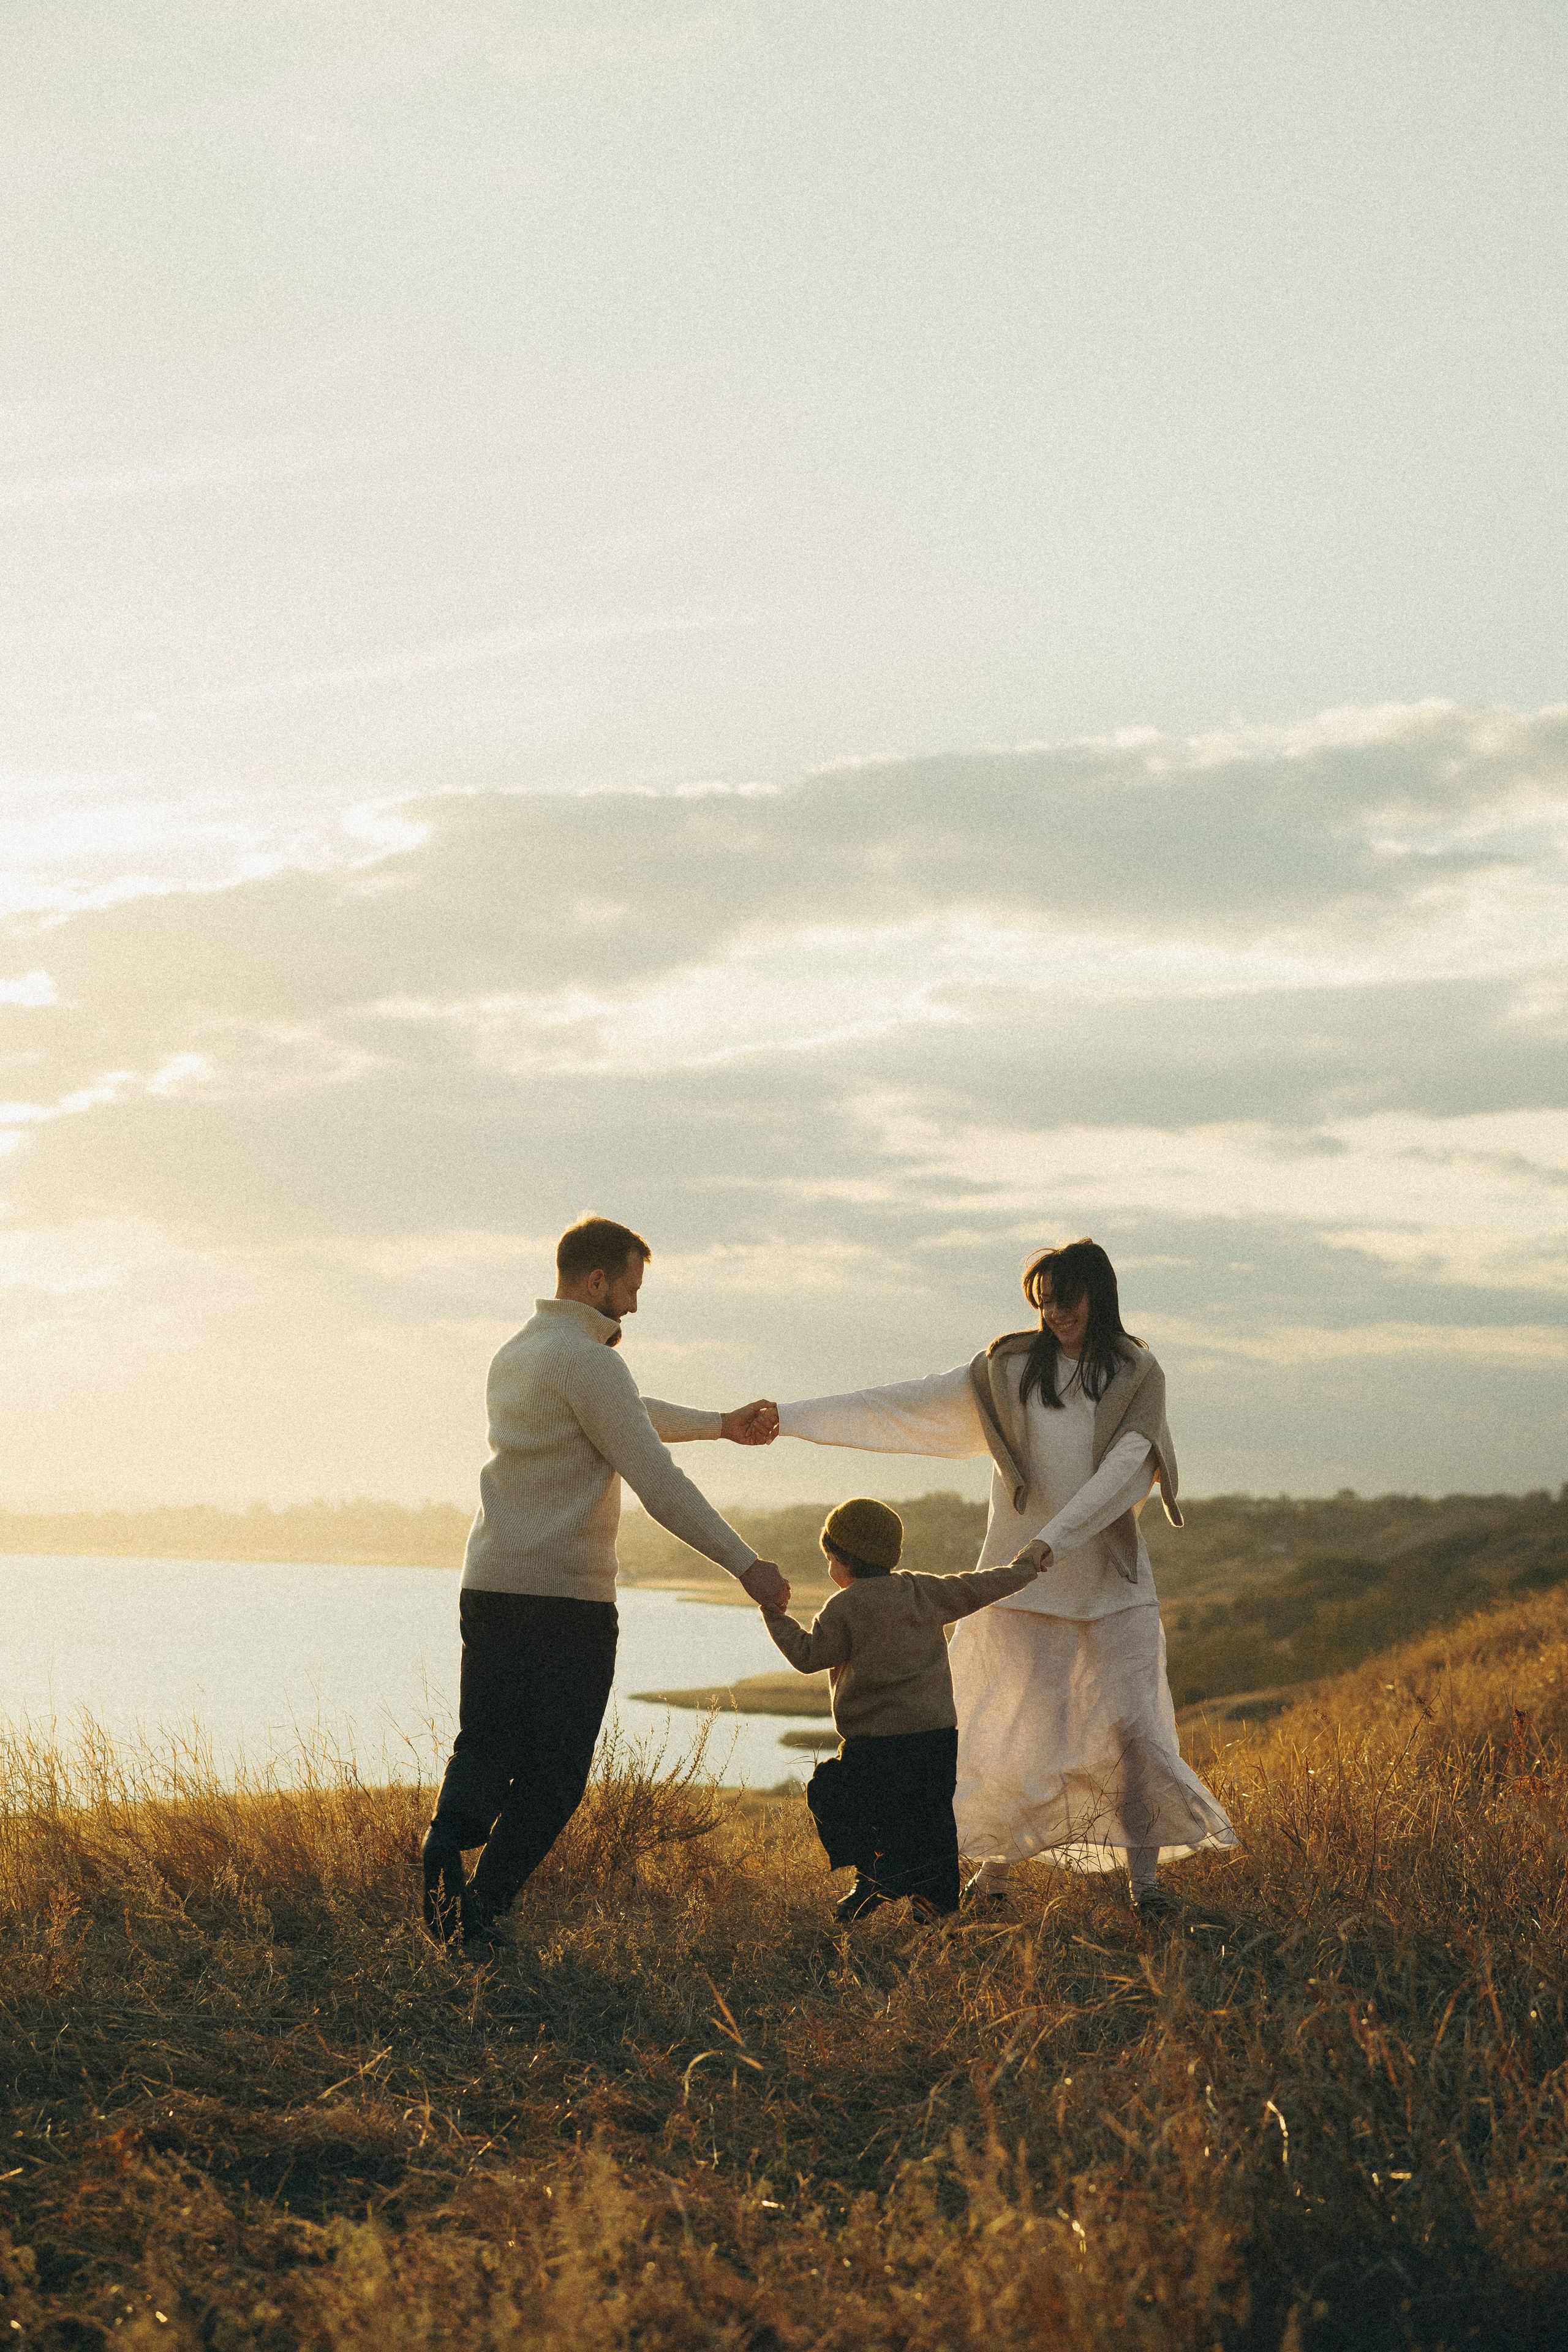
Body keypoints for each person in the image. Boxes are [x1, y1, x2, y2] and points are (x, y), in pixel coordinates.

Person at [769, 1239, 1236, 1912]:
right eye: (1042, 1299)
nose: (1054, 1312)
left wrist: (1052, 1541)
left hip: (1111, 1586)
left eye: (1066, 1298)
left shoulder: (1137, 1371)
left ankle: (1146, 1887)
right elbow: (903, 1406)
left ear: (1097, 1295)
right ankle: (992, 1881)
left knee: (1136, 1736)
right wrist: (787, 1419)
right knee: (1002, 1732)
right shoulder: (1008, 1368)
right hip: (1018, 1588)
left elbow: (1126, 1469)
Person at [423, 1215, 788, 1945]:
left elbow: (626, 1417)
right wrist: (746, 1564)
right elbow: (656, 1479)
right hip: (564, 1601)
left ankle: (442, 1869)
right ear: (595, 1282)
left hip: (490, 1583)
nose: (633, 1305)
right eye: (628, 1287)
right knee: (557, 1775)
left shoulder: (519, 1352)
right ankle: (483, 1915)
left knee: (486, 1745)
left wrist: (721, 1423)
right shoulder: (592, 1363)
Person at [758, 1496, 1041, 1919]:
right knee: (934, 1830)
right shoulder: (924, 1590)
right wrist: (1027, 1567)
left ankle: (878, 1873)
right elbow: (981, 1585)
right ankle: (937, 1910)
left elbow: (808, 1656)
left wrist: (774, 1614)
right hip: (936, 1740)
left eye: (829, 1558)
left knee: (832, 1794)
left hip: (874, 1746)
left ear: (842, 1559)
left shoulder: (845, 1607)